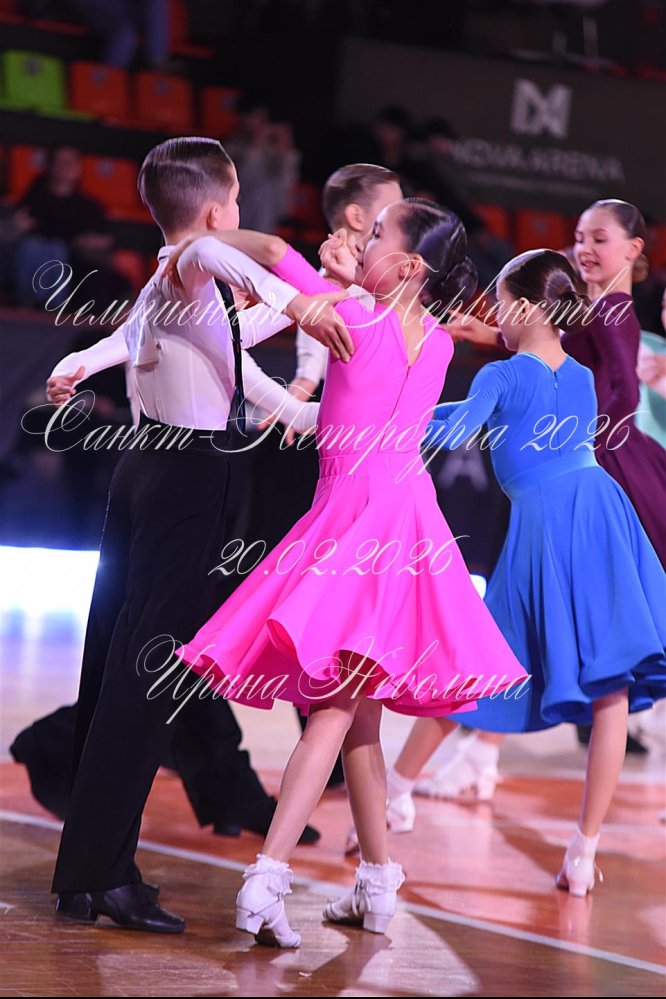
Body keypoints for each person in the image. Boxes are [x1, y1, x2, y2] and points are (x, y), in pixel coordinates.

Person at [166, 199, 530, 947]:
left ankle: (266, 876)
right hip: (404, 521)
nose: (363, 242)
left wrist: (201, 236)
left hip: (360, 525)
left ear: (410, 263)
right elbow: (447, 332)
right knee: (361, 713)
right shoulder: (434, 339)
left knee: (332, 707)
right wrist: (346, 280)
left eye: (377, 236)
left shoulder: (349, 316)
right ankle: (379, 881)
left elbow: (273, 254)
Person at [49, 135, 354, 934]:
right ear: (218, 211)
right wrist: (300, 301)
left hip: (146, 471)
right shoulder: (194, 260)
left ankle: (86, 869)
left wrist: (320, 410)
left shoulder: (170, 284)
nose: (241, 217)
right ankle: (104, 875)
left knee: (116, 662)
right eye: (237, 203)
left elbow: (222, 362)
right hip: (185, 477)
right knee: (147, 676)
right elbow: (220, 263)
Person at [393, 250, 666, 896]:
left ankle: (395, 792)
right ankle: (583, 850)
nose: (493, 316)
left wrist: (386, 415)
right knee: (610, 687)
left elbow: (453, 428)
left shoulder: (502, 374)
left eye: (497, 305)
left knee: (480, 661)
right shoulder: (579, 375)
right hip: (601, 513)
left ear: (520, 307)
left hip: (547, 525)